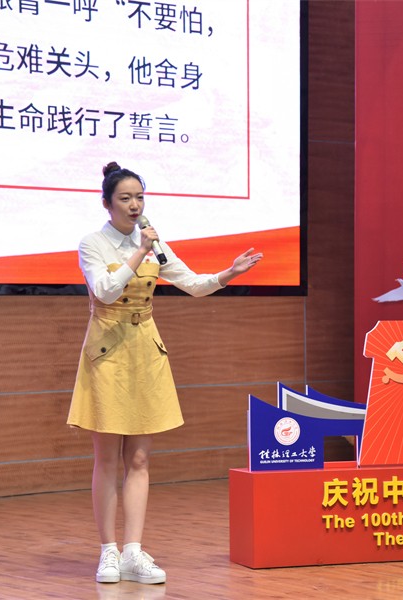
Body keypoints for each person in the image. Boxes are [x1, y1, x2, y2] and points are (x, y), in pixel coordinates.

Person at [67, 161, 262, 585]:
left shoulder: (155, 243)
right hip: (107, 352)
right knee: (107, 457)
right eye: (125, 198)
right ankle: (108, 551)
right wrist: (139, 251)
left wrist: (228, 274)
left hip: (145, 351)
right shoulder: (93, 244)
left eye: (139, 197)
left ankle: (133, 551)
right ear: (107, 203)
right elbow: (105, 290)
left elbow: (192, 284)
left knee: (139, 458)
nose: (134, 205)